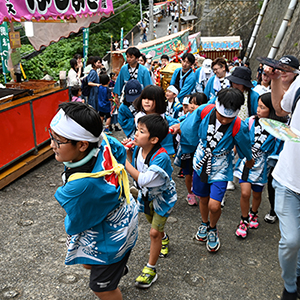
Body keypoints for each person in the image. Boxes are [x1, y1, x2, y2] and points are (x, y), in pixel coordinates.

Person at [50, 102, 138, 300]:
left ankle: (113, 272)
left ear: (82, 145)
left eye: (58, 141)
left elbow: (77, 222)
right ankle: (117, 267)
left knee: (101, 288)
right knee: (89, 263)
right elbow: (120, 152)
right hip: (127, 215)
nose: (51, 145)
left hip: (112, 239)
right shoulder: (102, 139)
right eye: (51, 137)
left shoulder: (80, 188)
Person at [172, 88, 253, 252]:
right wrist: (178, 127)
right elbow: (188, 127)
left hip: (221, 166)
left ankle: (213, 228)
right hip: (201, 161)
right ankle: (204, 223)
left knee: (215, 205)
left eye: (228, 118)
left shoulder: (238, 124)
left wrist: (249, 159)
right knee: (202, 198)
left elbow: (245, 145)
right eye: (221, 115)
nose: (224, 120)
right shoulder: (205, 110)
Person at [125, 114, 177, 289]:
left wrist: (123, 160)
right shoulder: (139, 149)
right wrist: (127, 151)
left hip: (163, 199)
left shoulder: (161, 156)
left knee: (153, 232)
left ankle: (151, 270)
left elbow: (143, 179)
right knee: (151, 223)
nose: (136, 134)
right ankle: (164, 237)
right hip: (146, 197)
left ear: (154, 139)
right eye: (137, 129)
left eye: (141, 131)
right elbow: (136, 166)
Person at [264, 55, 300, 300]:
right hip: (288, 179)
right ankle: (290, 286)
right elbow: (279, 109)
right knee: (291, 241)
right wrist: (276, 80)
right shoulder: (299, 85)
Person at [234, 92, 285, 238]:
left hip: (262, 165)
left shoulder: (277, 129)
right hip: (247, 161)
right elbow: (241, 135)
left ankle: (253, 213)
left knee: (257, 194)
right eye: (258, 106)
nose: (258, 109)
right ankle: (243, 220)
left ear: (272, 110)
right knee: (245, 192)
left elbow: (277, 150)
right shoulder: (250, 121)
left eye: (262, 107)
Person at [133, 85, 179, 155]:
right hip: (142, 150)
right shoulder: (139, 116)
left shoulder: (166, 119)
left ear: (159, 101)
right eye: (144, 98)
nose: (146, 101)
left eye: (150, 99)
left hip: (160, 152)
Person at [180, 93, 208, 206]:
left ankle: (200, 191)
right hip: (187, 149)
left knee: (199, 171)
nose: (192, 106)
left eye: (196, 104)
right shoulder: (185, 117)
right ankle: (190, 193)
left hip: (200, 150)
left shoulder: (205, 120)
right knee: (188, 172)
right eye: (191, 103)